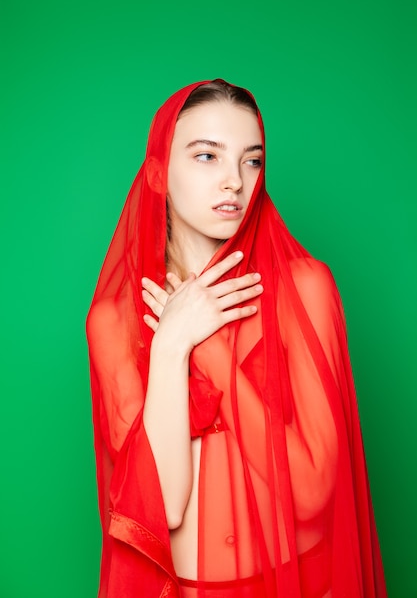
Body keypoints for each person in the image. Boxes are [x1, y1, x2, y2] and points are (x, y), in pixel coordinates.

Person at [86, 79, 387, 598]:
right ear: (159, 173)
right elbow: (165, 505)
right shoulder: (115, 319)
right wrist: (171, 346)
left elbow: (314, 489)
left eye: (251, 160)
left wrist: (209, 344)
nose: (234, 181)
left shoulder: (306, 288)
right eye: (207, 156)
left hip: (302, 583)